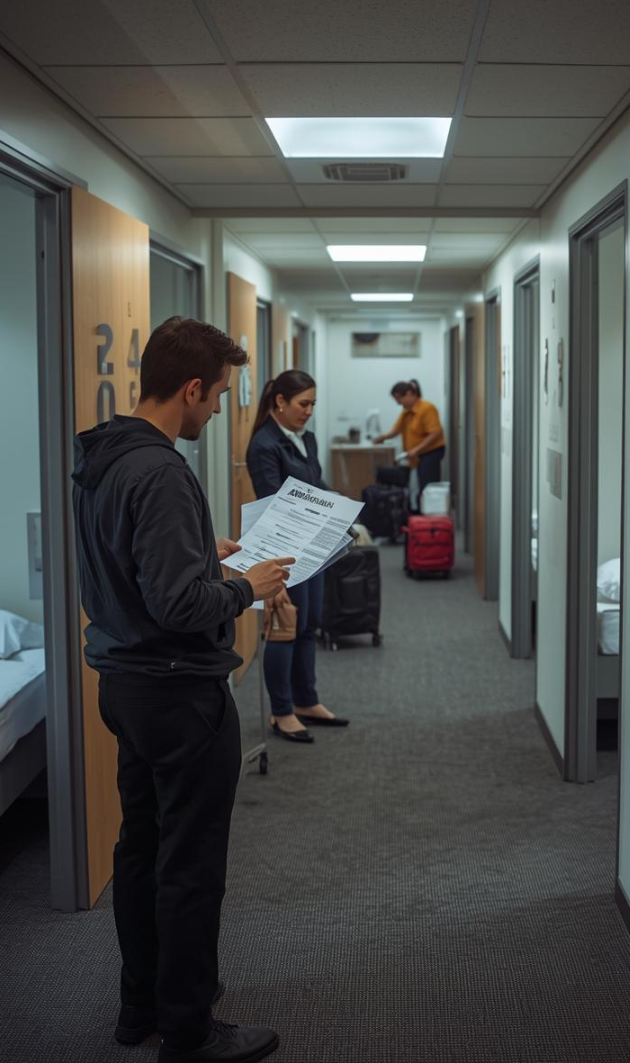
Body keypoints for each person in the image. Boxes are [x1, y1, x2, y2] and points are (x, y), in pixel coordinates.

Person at [72, 316, 293, 1063]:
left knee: (140, 849)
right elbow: (178, 605)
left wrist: (205, 552)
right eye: (220, 396)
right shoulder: (162, 470)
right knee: (191, 865)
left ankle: (141, 1007)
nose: (220, 410)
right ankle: (191, 1029)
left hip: (125, 684)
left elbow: (135, 565)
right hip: (178, 693)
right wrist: (243, 583)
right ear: (191, 389)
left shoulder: (104, 453)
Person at [247, 370, 349, 743]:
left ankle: (307, 701)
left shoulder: (306, 438)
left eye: (312, 405)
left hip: (313, 546)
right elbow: (272, 507)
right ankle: (282, 711)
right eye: (303, 404)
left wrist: (337, 503)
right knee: (284, 628)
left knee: (308, 626)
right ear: (280, 403)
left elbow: (314, 484)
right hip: (283, 551)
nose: (309, 412)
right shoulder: (264, 445)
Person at [373, 379, 446, 496]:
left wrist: (416, 450)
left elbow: (435, 433)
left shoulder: (427, 408)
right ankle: (418, 511)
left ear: (409, 394)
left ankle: (428, 513)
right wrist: (382, 437)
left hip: (430, 452)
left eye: (399, 398)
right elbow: (397, 429)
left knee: (427, 487)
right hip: (416, 455)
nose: (398, 403)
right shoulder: (406, 412)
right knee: (417, 487)